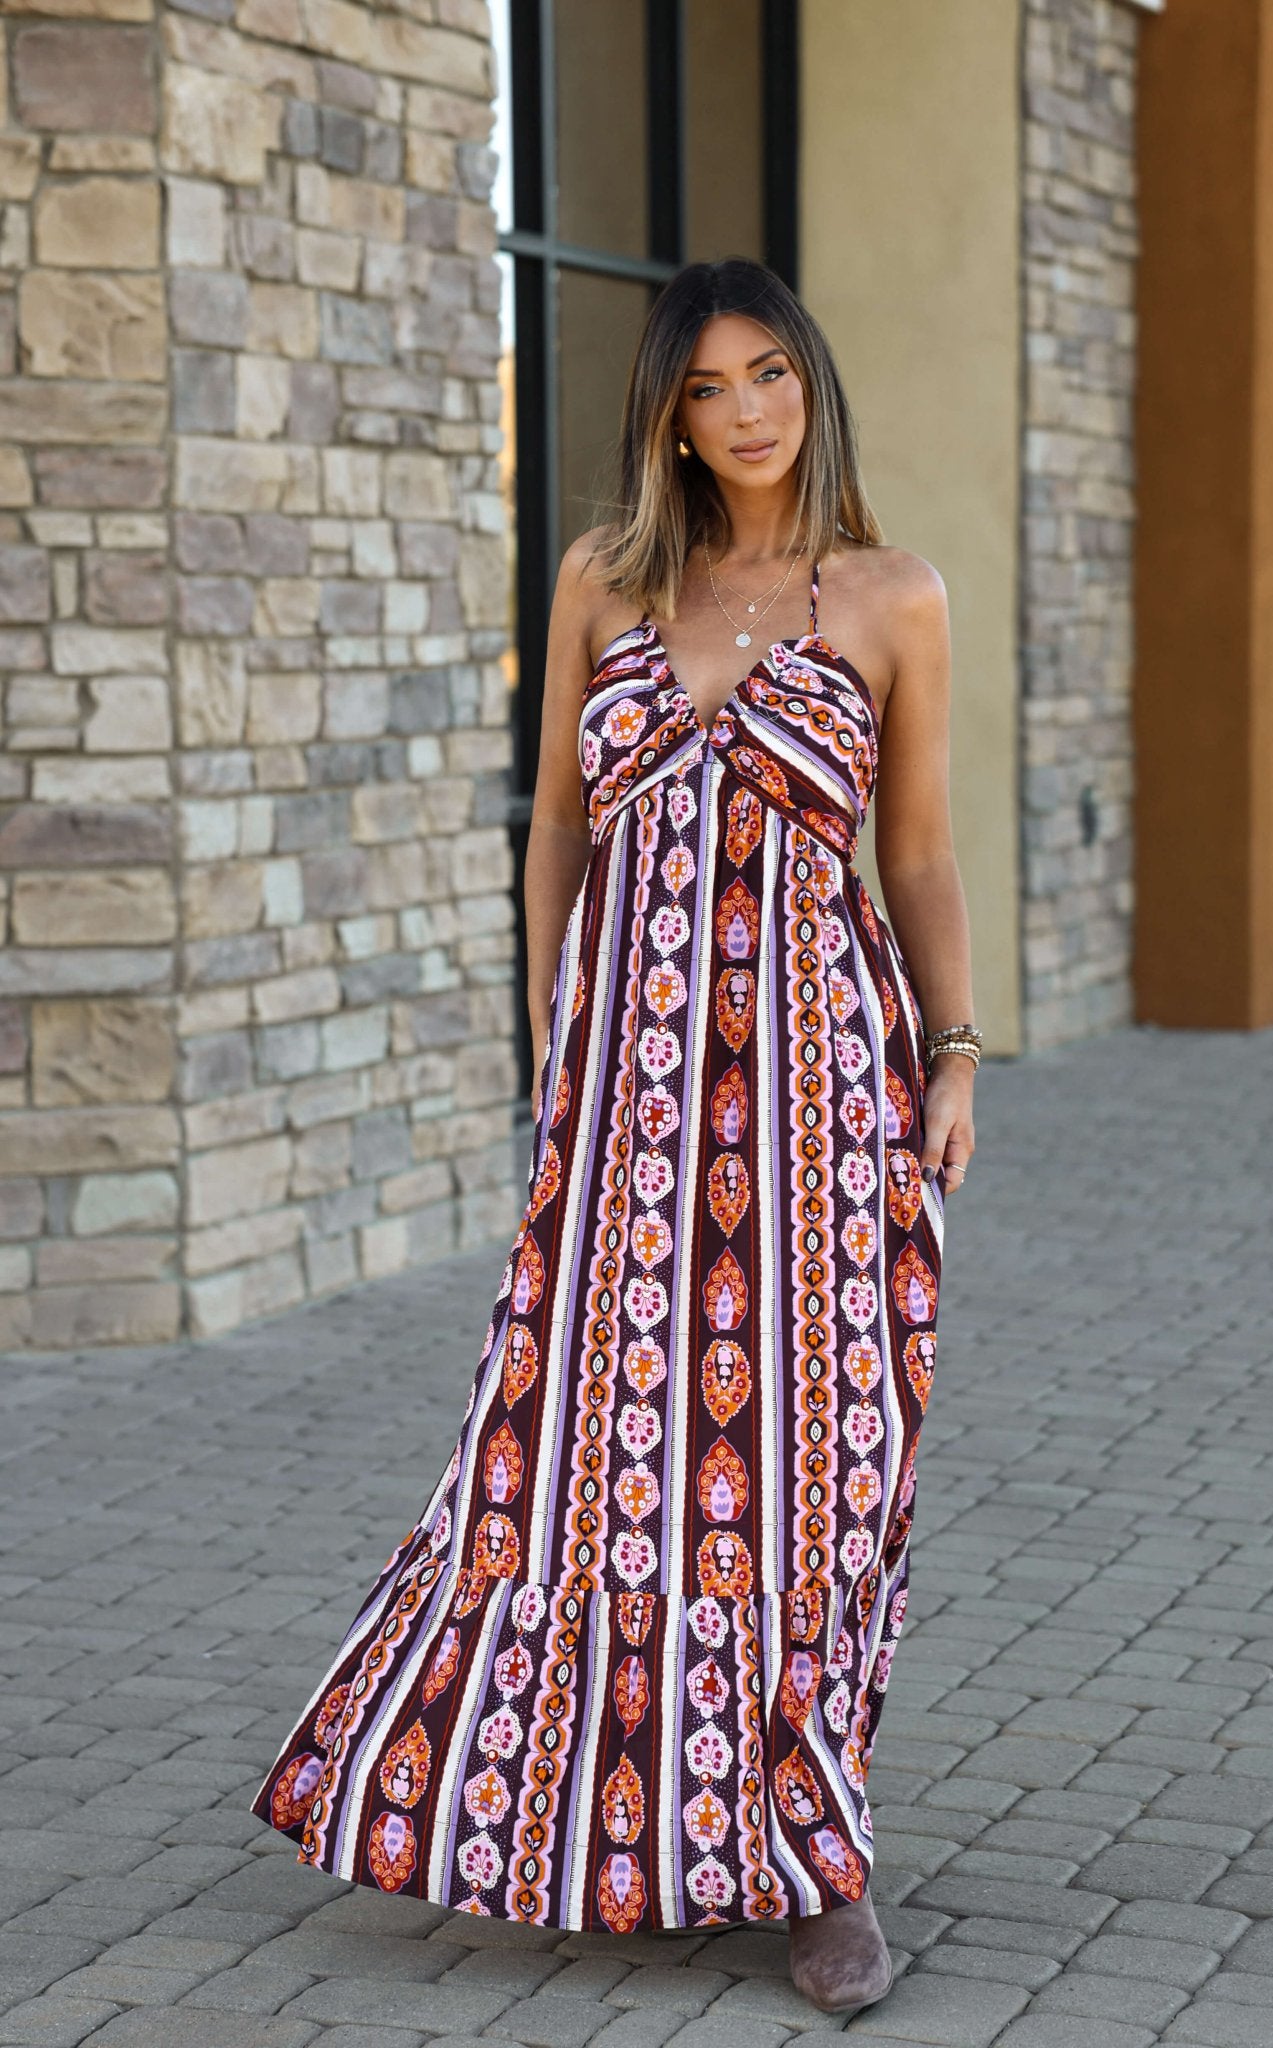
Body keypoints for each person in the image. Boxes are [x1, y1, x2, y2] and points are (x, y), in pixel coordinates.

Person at [249, 256, 978, 2017]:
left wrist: (953, 1055)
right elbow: (557, 835)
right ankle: (607, 1826)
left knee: (816, 1477)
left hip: (818, 1100)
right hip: (627, 1103)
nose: (745, 409)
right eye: (708, 385)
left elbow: (922, 853)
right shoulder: (603, 581)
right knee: (584, 1465)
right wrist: (545, 1048)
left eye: (770, 374)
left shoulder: (890, 594)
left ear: (811, 381)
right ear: (667, 412)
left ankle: (822, 1868)